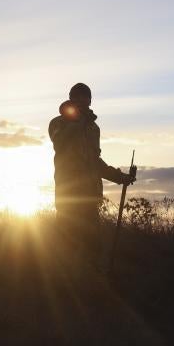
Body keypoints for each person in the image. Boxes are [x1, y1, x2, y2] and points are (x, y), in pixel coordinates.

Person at [48, 83, 135, 262]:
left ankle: (92, 286)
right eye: (77, 97)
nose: (82, 101)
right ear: (71, 99)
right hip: (68, 196)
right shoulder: (58, 122)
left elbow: (95, 162)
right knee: (66, 250)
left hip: (90, 197)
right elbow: (60, 144)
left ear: (90, 100)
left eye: (85, 97)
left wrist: (120, 177)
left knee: (92, 250)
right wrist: (78, 121)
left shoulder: (93, 128)